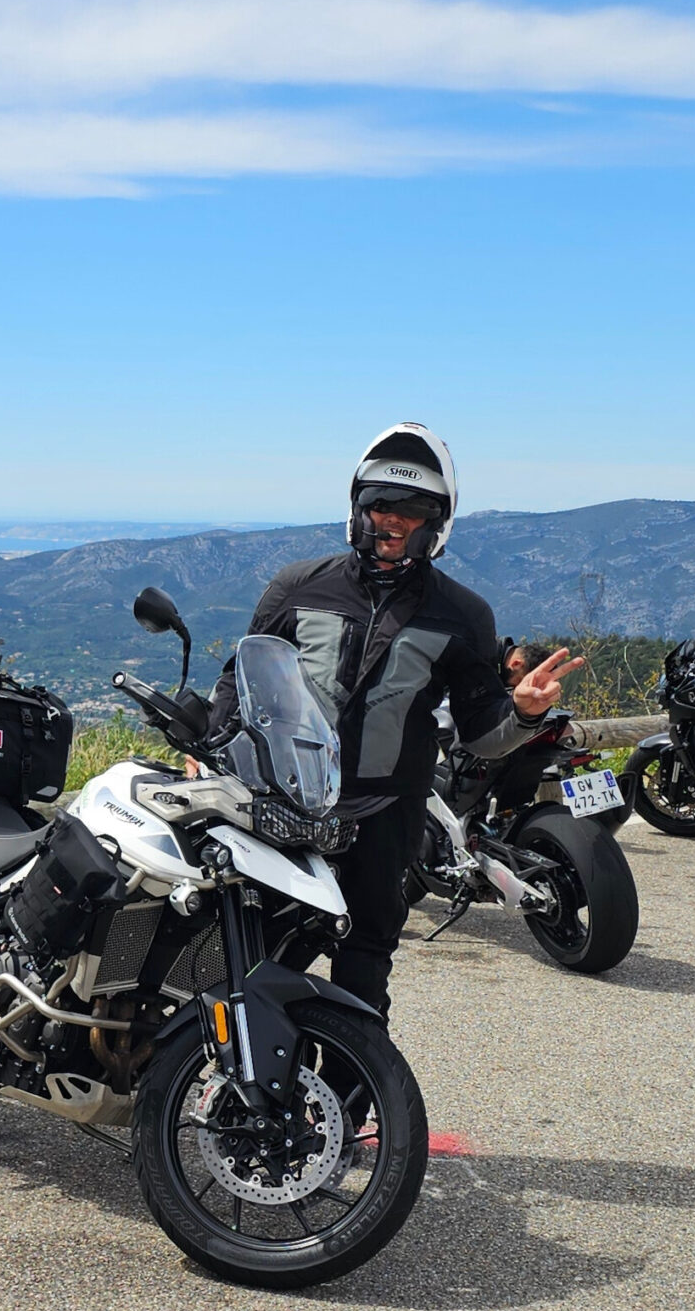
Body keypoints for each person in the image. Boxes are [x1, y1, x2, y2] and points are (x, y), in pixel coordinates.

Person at [214, 425, 582, 1018]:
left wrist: (519, 713)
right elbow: (240, 678)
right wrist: (210, 748)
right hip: (284, 805)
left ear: (436, 523)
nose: (390, 521)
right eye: (380, 505)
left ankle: (358, 1095)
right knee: (256, 960)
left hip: (384, 820)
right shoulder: (298, 587)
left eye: (411, 511)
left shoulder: (462, 614)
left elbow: (481, 731)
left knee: (363, 968)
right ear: (357, 508)